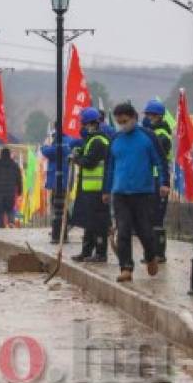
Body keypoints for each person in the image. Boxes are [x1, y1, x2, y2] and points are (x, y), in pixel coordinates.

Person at [102, 103, 168, 283]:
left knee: (145, 231)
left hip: (143, 193)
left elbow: (160, 162)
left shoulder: (148, 137)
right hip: (120, 193)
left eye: (125, 121)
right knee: (122, 231)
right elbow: (109, 167)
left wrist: (164, 183)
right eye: (119, 122)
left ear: (134, 118)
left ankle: (151, 255)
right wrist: (106, 190)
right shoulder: (115, 140)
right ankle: (126, 268)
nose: (122, 125)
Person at [70, 107, 112, 263]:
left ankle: (101, 254)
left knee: (99, 224)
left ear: (91, 124)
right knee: (89, 222)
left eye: (85, 124)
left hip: (98, 189)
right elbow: (85, 154)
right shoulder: (92, 140)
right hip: (89, 189)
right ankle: (86, 252)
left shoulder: (99, 141)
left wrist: (76, 160)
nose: (84, 127)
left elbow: (89, 162)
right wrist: (78, 152)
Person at [142, 99, 172, 263]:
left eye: (151, 115)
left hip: (159, 181)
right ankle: (152, 253)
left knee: (157, 218)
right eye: (147, 114)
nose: (148, 117)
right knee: (150, 217)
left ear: (159, 116)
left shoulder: (162, 135)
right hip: (150, 180)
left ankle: (159, 254)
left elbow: (157, 157)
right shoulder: (152, 132)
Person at [41, 130, 73, 243]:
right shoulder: (69, 140)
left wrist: (45, 144)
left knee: (57, 202)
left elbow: (48, 152)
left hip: (58, 178)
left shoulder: (59, 142)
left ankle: (62, 225)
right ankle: (63, 225)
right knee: (61, 202)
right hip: (65, 176)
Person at [0, 147, 23, 229]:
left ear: (1, 154)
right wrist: (20, 191)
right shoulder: (14, 165)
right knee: (10, 210)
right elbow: (19, 179)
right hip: (10, 192)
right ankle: (11, 226)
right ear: (9, 154)